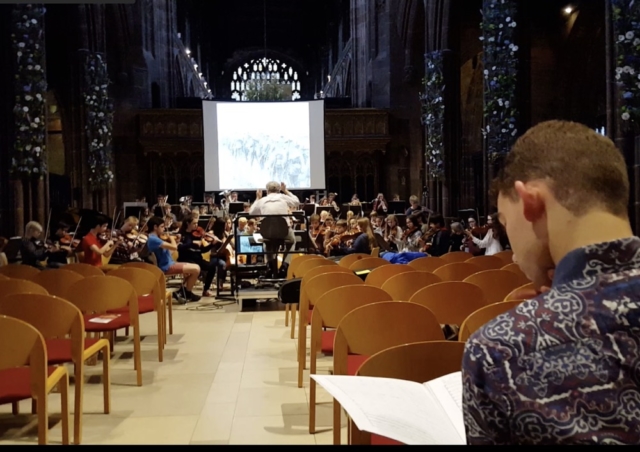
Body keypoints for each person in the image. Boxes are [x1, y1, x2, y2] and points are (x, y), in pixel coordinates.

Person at [462, 120, 640, 445]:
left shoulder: (500, 350)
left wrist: (541, 322)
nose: (513, 254)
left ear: (531, 202)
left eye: (504, 222)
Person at [249, 181, 299, 278]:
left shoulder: (262, 200)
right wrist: (286, 191)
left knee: (267, 242)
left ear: (267, 190)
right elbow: (296, 202)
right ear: (279, 190)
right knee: (292, 241)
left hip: (267, 232)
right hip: (284, 232)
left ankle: (270, 265)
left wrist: (257, 198)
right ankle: (285, 265)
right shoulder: (283, 197)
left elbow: (251, 212)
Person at [146, 216, 201, 303]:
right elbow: (174, 247)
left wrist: (177, 241)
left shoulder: (156, 238)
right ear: (155, 227)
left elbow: (170, 252)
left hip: (169, 263)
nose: (164, 229)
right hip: (165, 266)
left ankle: (182, 292)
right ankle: (187, 293)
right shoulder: (153, 239)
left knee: (193, 269)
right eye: (162, 226)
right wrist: (172, 238)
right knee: (196, 268)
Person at [177, 215, 225, 298]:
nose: (196, 225)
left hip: (197, 259)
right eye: (194, 223)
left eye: (197, 223)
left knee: (212, 267)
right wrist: (192, 243)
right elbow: (180, 248)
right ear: (188, 223)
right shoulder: (182, 235)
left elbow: (202, 250)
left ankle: (206, 290)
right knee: (196, 268)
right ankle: (185, 291)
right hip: (186, 258)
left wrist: (211, 245)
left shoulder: (197, 234)